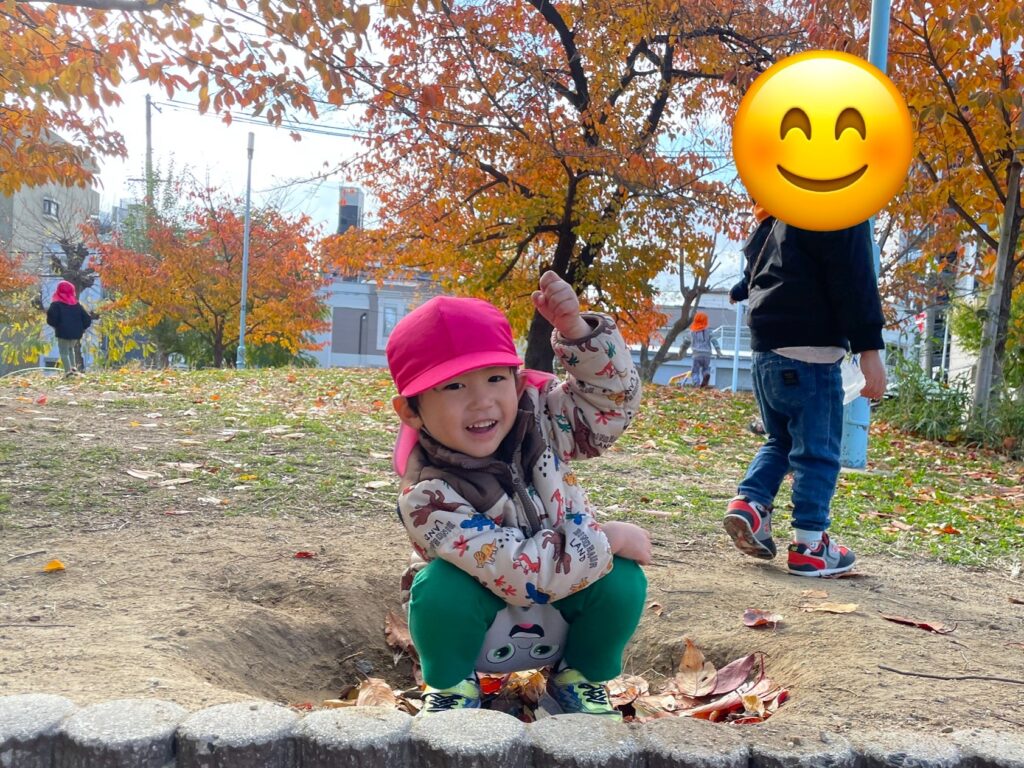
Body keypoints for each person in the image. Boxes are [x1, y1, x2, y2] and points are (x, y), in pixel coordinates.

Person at [385, 271, 650, 717]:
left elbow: (612, 407)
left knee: (623, 581)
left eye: (494, 379)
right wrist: (606, 540)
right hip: (483, 627)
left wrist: (578, 334)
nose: (482, 402)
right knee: (439, 590)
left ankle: (578, 677)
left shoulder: (543, 422)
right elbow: (515, 571)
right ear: (411, 410)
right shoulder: (426, 495)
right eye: (453, 387)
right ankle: (452, 688)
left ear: (518, 380)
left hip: (561, 611)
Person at [723, 203, 886, 577]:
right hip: (811, 349)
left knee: (781, 438)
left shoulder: (779, 209)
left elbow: (759, 265)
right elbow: (853, 278)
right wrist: (869, 349)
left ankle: (750, 503)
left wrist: (740, 288)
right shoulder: (840, 207)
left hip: (766, 348)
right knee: (818, 450)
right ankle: (811, 545)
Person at [45, 281, 92, 377]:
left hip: (63, 333)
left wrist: (56, 326)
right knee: (71, 350)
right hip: (76, 334)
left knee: (64, 352)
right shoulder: (77, 305)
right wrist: (81, 328)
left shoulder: (56, 305)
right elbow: (87, 319)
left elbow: (51, 319)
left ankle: (68, 372)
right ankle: (74, 369)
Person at [684, 311, 722, 387]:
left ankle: (696, 384)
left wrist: (682, 351)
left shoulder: (691, 332)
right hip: (707, 355)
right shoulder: (708, 331)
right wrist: (718, 351)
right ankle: (706, 375)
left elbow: (686, 342)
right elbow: (714, 340)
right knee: (705, 368)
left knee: (695, 371)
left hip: (696, 354)